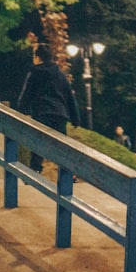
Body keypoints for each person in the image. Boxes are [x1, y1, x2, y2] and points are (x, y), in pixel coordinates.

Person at [16, 43, 81, 174]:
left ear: (37, 57)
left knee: (38, 143)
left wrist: (20, 113)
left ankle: (35, 170)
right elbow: (70, 97)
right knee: (62, 147)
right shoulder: (61, 75)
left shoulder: (34, 74)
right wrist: (75, 118)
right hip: (59, 114)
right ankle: (67, 174)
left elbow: (26, 95)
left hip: (42, 113)